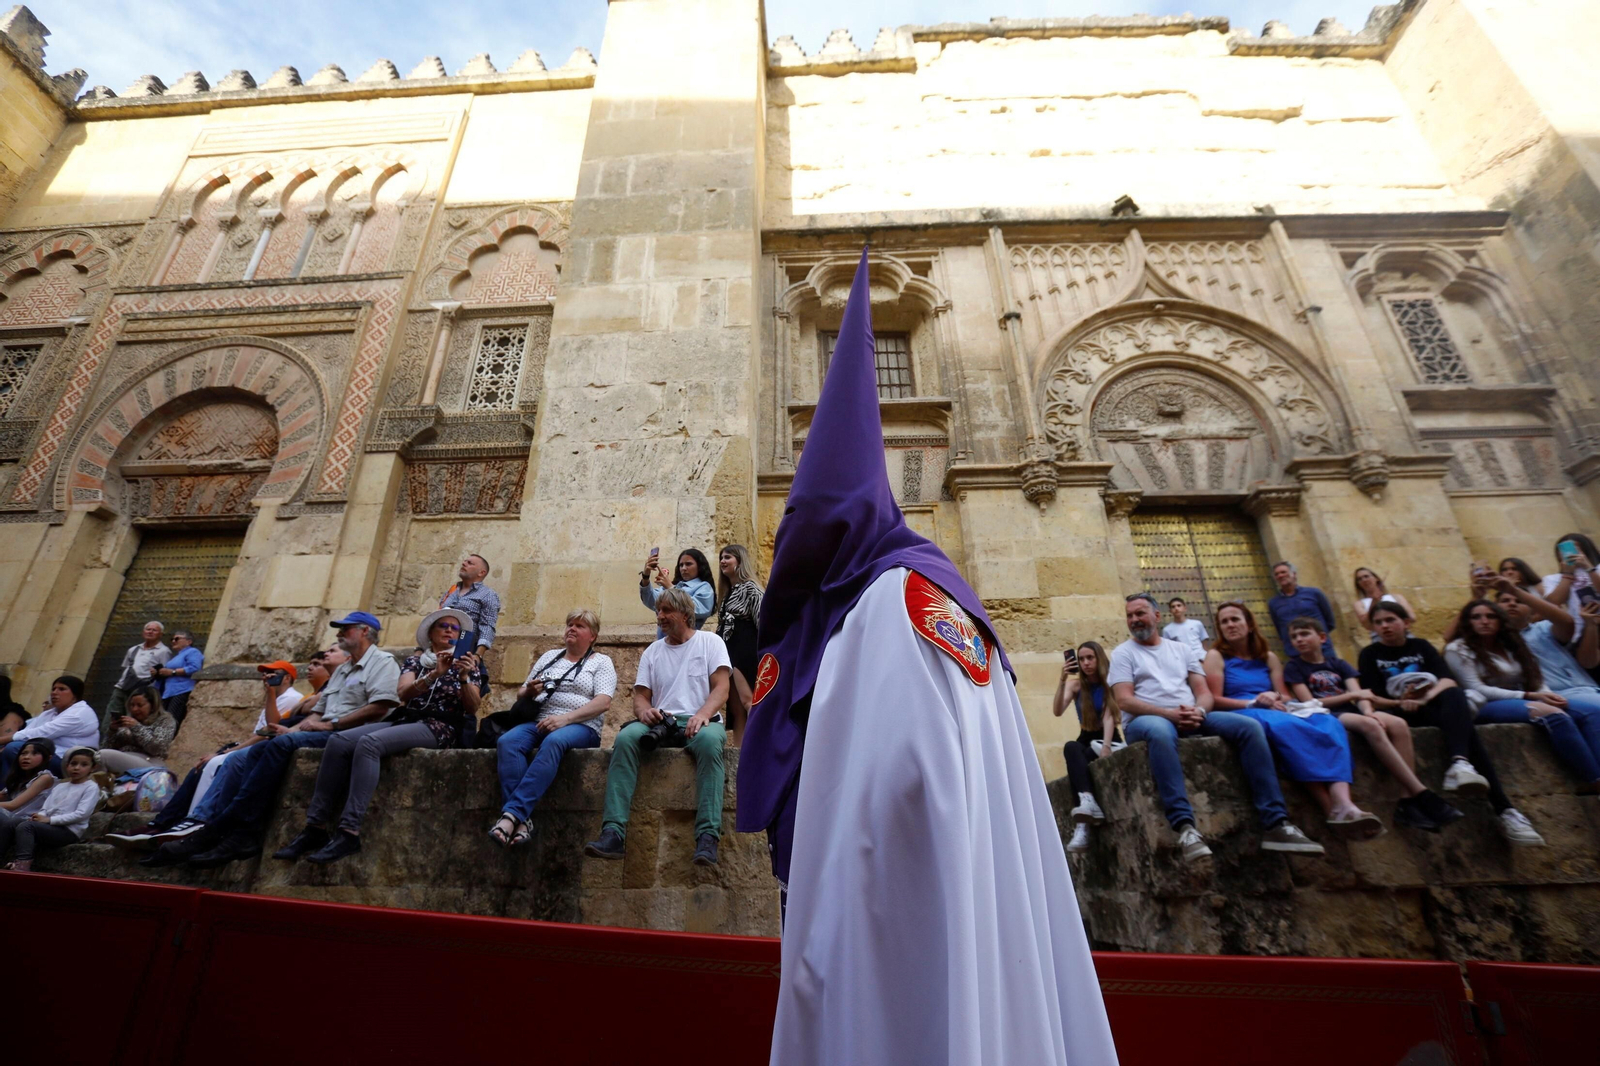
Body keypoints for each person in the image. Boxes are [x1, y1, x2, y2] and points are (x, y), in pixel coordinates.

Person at [738, 253, 1117, 1066]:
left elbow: (905, 797)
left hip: (894, 922)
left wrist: (825, 931)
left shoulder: (891, 605)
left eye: (802, 527)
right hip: (955, 901)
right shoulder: (925, 594)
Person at [142, 612, 400, 869]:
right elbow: (318, 712)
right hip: (323, 729)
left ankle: (225, 827)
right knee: (261, 748)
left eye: (346, 629)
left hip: (348, 732)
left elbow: (380, 707)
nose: (339, 634)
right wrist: (293, 730)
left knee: (277, 746)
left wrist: (324, 725)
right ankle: (243, 833)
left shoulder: (383, 662)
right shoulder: (343, 669)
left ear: (365, 631)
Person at [1112, 593, 1324, 861]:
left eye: (1140, 613)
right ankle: (1185, 827)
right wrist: (1170, 714)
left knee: (1248, 728)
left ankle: (1276, 823)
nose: (1134, 620)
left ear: (1156, 616)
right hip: (1147, 720)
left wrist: (1199, 711)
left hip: (1191, 715)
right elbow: (1124, 700)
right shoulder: (1123, 653)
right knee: (1161, 732)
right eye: (1130, 615)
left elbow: (1204, 693)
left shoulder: (1182, 650)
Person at [275, 609, 484, 865]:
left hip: (441, 727)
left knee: (369, 744)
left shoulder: (469, 663)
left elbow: (473, 707)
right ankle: (315, 827)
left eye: (454, 627)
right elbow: (402, 695)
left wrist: (462, 677)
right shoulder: (415, 662)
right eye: (443, 625)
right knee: (339, 741)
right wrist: (434, 674)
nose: (450, 630)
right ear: (431, 634)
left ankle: (349, 831)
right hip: (407, 719)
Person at [1357, 600, 1544, 847]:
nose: (1385, 626)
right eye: (1378, 622)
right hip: (1396, 713)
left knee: (1456, 700)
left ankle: (1460, 764)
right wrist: (1400, 702)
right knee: (1465, 730)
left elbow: (1446, 681)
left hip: (1425, 706)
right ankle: (1504, 808)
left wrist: (1423, 698)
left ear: (1406, 622)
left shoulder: (1421, 646)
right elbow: (1371, 695)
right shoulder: (1369, 654)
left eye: (1390, 620)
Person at [107, 654, 339, 852]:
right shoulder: (282, 697)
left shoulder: (293, 698)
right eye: (265, 674)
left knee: (217, 763)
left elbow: (270, 729)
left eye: (273, 673)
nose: (266, 677)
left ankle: (195, 821)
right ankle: (169, 821)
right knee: (202, 766)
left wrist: (235, 749)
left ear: (287, 677)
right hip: (260, 743)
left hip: (266, 746)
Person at [1204, 602, 1381, 839]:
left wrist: (1274, 696)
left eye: (1235, 619)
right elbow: (1214, 698)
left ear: (1249, 624)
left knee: (1328, 722)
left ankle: (1344, 801)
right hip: (1242, 709)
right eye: (1224, 622)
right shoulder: (1216, 656)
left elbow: (1285, 694)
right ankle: (1330, 806)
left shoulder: (1268, 657)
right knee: (1287, 726)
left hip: (1274, 707)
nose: (1230, 625)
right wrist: (1253, 703)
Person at [585, 588, 729, 866]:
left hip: (701, 721)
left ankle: (708, 837)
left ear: (686, 615)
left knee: (711, 744)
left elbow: (722, 687)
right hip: (661, 723)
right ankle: (613, 833)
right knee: (626, 738)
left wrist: (702, 714)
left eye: (666, 611)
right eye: (658, 611)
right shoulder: (653, 651)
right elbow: (640, 696)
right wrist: (644, 712)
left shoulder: (710, 642)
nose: (659, 616)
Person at [1284, 616, 1463, 832]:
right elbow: (1310, 702)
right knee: (1370, 727)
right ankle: (1422, 793)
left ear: (1322, 637)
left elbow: (1360, 694)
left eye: (1304, 634)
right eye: (1294, 637)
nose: (1299, 640)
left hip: (1352, 710)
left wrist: (1369, 711)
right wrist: (1359, 702)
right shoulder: (1294, 667)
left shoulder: (1338, 664)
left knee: (1397, 724)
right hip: (1325, 714)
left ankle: (1407, 800)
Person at [490, 608, 615, 847]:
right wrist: (529, 691)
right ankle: (522, 821)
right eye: (570, 624)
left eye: (580, 626)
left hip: (581, 726)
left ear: (593, 636)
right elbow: (522, 691)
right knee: (508, 741)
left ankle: (510, 815)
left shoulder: (601, 662)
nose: (572, 628)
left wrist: (565, 719)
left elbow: (603, 702)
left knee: (554, 741)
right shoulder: (550, 656)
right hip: (541, 719)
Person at [1460, 585, 1600, 794]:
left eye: (1518, 600)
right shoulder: (1494, 645)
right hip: (1548, 697)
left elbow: (1566, 622)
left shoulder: (1543, 628)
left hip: (1578, 691)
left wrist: (1514, 589)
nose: (1512, 603)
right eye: (1504, 601)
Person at [1050, 641, 1121, 854]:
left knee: (1079, 765)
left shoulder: (1111, 682)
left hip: (1106, 738)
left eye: (1090, 658)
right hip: (1086, 737)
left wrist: (1107, 746)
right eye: (1081, 659)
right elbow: (1057, 711)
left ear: (1099, 658)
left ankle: (1083, 826)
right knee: (1071, 748)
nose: (1086, 663)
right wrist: (1062, 679)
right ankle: (1087, 802)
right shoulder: (1076, 685)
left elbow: (1109, 718)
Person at [2, 746, 98, 871]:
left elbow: (81, 814)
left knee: (26, 827)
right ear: (67, 765)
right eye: (73, 764)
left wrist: (50, 820)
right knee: (12, 823)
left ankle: (22, 863)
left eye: (84, 765)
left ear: (93, 768)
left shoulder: (90, 787)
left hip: (68, 831)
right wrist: (39, 816)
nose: (77, 768)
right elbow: (46, 808)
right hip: (49, 825)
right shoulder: (61, 786)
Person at [0, 676, 97, 781]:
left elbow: (39, 734)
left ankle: (8, 791)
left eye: (62, 689)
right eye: (53, 689)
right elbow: (27, 731)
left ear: (75, 694)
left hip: (67, 762)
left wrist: (2, 741)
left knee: (14, 748)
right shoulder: (50, 713)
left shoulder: (80, 713)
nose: (54, 693)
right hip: (42, 753)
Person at [715, 543, 764, 741]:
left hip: (745, 650)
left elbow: (763, 622)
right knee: (735, 709)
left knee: (747, 700)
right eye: (721, 558)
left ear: (740, 561)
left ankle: (758, 746)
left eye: (728, 557)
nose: (722, 561)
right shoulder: (727, 593)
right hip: (728, 651)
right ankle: (739, 752)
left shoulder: (751, 588)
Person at [104, 620, 172, 738]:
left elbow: (164, 671)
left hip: (141, 692)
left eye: (154, 630)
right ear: (143, 632)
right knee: (110, 718)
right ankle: (106, 741)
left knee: (133, 720)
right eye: (148, 629)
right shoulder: (133, 649)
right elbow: (126, 667)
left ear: (160, 634)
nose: (150, 632)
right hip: (122, 687)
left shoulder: (164, 651)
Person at [96, 683, 176, 774]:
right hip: (124, 757)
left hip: (150, 762)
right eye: (132, 705)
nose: (134, 709)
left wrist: (136, 727)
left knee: (102, 755)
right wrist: (112, 731)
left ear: (153, 706)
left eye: (139, 705)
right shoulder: (127, 720)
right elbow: (106, 747)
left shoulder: (166, 720)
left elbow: (156, 748)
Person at [1539, 532, 1600, 649]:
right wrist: (1567, 574)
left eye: (1575, 547)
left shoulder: (1597, 568)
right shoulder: (1553, 579)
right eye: (1564, 549)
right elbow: (1554, 602)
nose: (1570, 552)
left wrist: (1588, 567)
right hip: (1583, 633)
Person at [1266, 561, 1337, 657]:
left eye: (1283, 572)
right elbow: (1280, 628)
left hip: (1322, 650)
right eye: (1277, 574)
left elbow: (1330, 622)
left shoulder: (1314, 593)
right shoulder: (1273, 603)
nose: (1280, 576)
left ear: (1294, 574)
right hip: (1296, 654)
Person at [639, 547, 715, 633]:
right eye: (681, 565)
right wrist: (646, 576)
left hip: (686, 642)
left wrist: (671, 588)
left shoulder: (704, 587)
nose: (684, 568)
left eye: (688, 564)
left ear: (699, 566)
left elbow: (699, 610)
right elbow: (650, 600)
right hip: (664, 642)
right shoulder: (673, 585)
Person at [0, 740, 57, 851]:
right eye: (23, 753)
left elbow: (13, 805)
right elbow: (2, 796)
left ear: (48, 758)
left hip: (26, 821)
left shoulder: (45, 777)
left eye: (34, 753)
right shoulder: (19, 777)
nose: (26, 757)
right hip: (10, 817)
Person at [438, 553, 501, 652]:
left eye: (470, 563)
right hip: (439, 649)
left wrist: (478, 655)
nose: (463, 564)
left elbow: (487, 626)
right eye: (464, 561)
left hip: (464, 650)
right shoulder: (451, 591)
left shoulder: (488, 594)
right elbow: (436, 619)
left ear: (481, 573)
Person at [154, 630, 204, 728]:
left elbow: (194, 668)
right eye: (172, 639)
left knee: (171, 721)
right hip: (169, 692)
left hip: (181, 691)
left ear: (189, 641)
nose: (173, 641)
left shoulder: (192, 652)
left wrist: (172, 672)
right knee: (163, 720)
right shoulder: (178, 656)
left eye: (177, 638)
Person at [1353, 568, 1413, 643]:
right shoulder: (1359, 604)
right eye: (1359, 579)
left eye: (1366, 576)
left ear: (1376, 578)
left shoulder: (1396, 597)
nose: (1364, 580)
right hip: (1379, 639)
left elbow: (1412, 617)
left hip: (1404, 635)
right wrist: (1374, 602)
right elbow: (1367, 625)